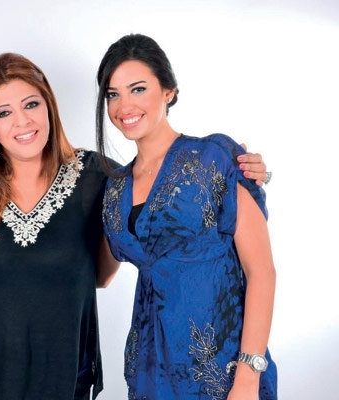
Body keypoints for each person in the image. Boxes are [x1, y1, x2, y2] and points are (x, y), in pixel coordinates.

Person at [0, 52, 269, 400]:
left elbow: (116, 255)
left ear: (49, 106)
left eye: (31, 104)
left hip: (61, 377)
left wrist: (241, 171)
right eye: (3, 113)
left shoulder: (97, 178)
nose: (22, 121)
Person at [96, 33, 277, 399]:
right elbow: (101, 275)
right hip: (150, 371)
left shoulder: (214, 157)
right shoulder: (115, 187)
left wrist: (248, 376)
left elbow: (261, 271)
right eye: (112, 94)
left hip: (223, 370)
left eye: (138, 89)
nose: (124, 105)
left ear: (168, 91)